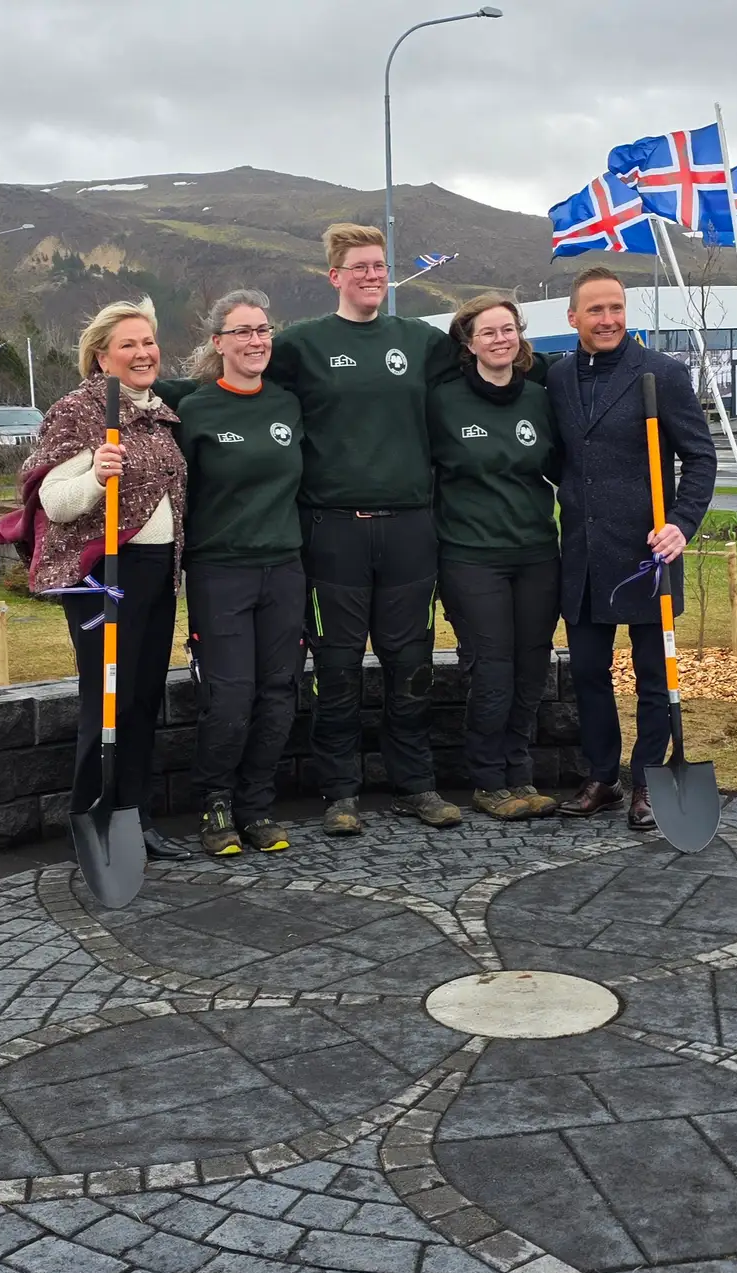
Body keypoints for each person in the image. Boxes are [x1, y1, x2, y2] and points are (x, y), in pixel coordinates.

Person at [265, 222, 462, 836]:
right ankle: (340, 792)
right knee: (338, 667)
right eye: (360, 267)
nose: (373, 275)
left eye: (380, 265)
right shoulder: (301, 345)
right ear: (335, 277)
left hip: (409, 531)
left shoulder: (421, 342)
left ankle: (417, 785)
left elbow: (491, 374)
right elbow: (233, 384)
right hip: (333, 532)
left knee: (412, 665)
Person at [547, 267, 717, 830]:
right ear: (572, 318)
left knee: (653, 676)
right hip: (586, 556)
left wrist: (682, 525)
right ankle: (603, 776)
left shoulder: (661, 375)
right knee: (590, 673)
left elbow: (700, 457)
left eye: (616, 308)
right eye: (595, 310)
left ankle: (647, 781)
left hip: (650, 553)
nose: (608, 319)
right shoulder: (559, 377)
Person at [21, 297, 188, 862]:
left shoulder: (160, 411)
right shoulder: (78, 411)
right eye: (129, 345)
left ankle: (134, 815)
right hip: (103, 577)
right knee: (108, 697)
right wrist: (95, 475)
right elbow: (54, 501)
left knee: (143, 698)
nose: (143, 353)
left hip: (156, 570)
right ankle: (95, 813)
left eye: (148, 342)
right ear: (100, 356)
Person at [174, 290, 306, 857]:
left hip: (284, 568)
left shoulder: (288, 404)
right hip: (220, 570)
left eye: (263, 330)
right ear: (218, 342)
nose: (257, 341)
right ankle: (216, 805)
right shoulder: (196, 410)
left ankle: (256, 805)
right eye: (244, 331)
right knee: (230, 696)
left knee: (279, 693)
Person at [428, 294, 560, 820]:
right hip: (470, 555)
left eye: (509, 329)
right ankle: (487, 780)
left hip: (535, 552)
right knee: (492, 668)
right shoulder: (442, 401)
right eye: (488, 332)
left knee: (532, 667)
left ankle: (519, 772)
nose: (501, 339)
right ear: (468, 342)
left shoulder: (539, 398)